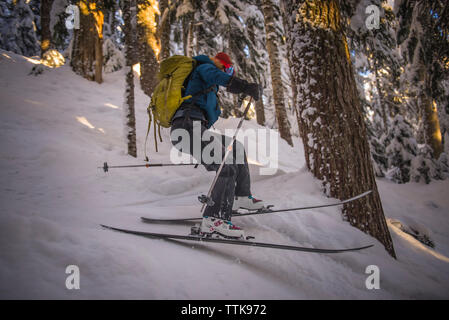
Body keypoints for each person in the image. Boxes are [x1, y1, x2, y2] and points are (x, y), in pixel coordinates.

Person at [170, 52, 264, 239]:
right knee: (225, 165)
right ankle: (213, 220)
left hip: (196, 127)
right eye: (228, 69)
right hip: (186, 128)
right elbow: (218, 77)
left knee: (235, 147)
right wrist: (244, 86)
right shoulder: (205, 68)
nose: (228, 73)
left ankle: (241, 197)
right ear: (221, 64)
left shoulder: (208, 84)